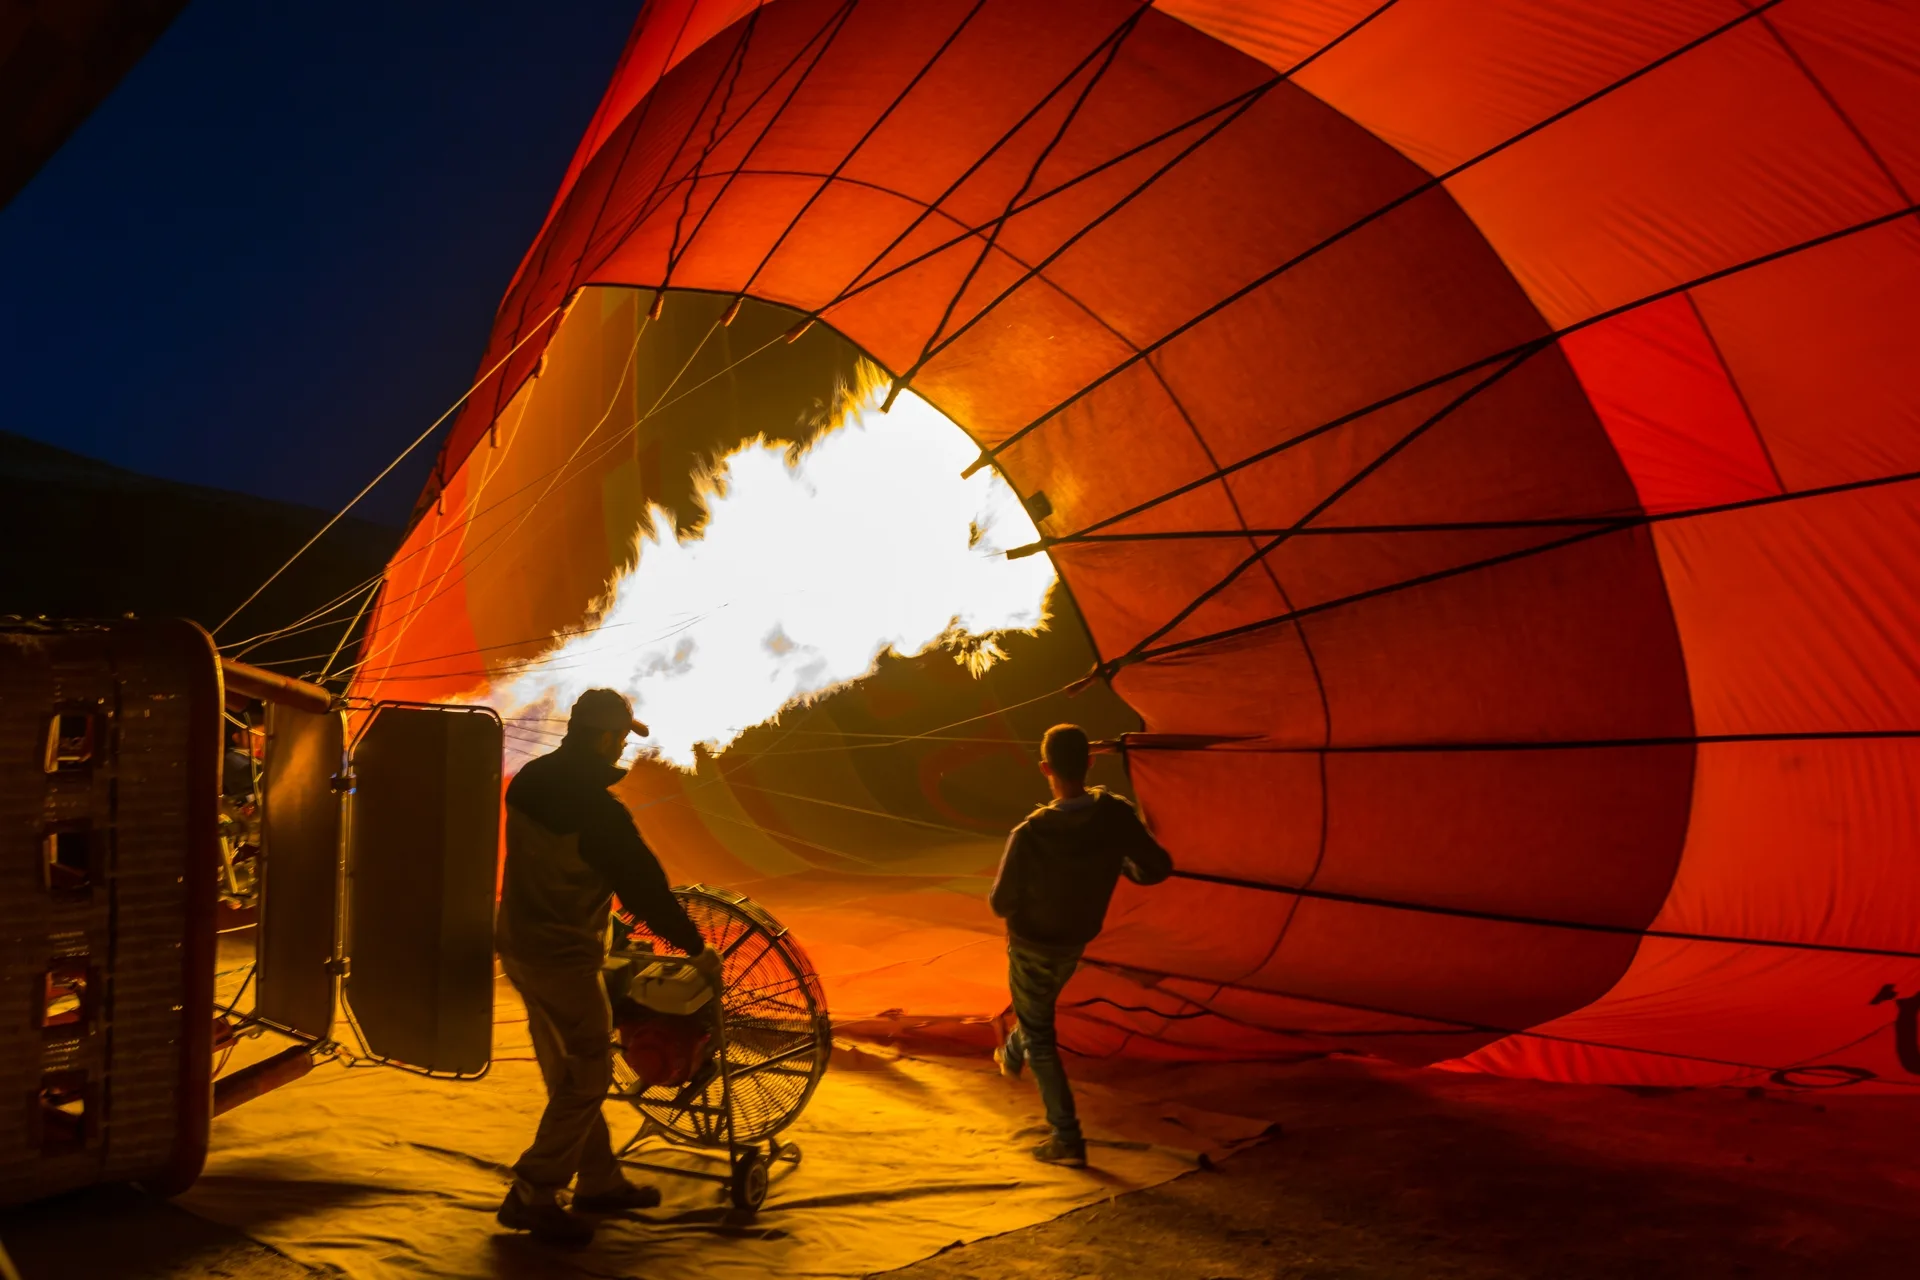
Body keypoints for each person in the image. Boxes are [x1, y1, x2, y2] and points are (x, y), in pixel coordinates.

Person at [494, 688, 723, 1247]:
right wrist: (697, 950)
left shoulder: (529, 781)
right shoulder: (599, 814)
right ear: (602, 739)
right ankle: (533, 1192)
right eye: (620, 737)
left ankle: (597, 1180)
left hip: (518, 943)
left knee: (571, 1075)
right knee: (588, 1076)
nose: (623, 746)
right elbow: (646, 891)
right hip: (564, 957)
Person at [988, 724, 1174, 1167]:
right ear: (1090, 762)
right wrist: (1118, 865)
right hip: (1076, 938)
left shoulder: (1029, 833)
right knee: (1038, 1007)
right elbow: (1156, 866)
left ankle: (1066, 1138)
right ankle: (1011, 1053)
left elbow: (1000, 903)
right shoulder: (1115, 815)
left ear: (1045, 769)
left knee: (1040, 1034)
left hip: (1033, 943)